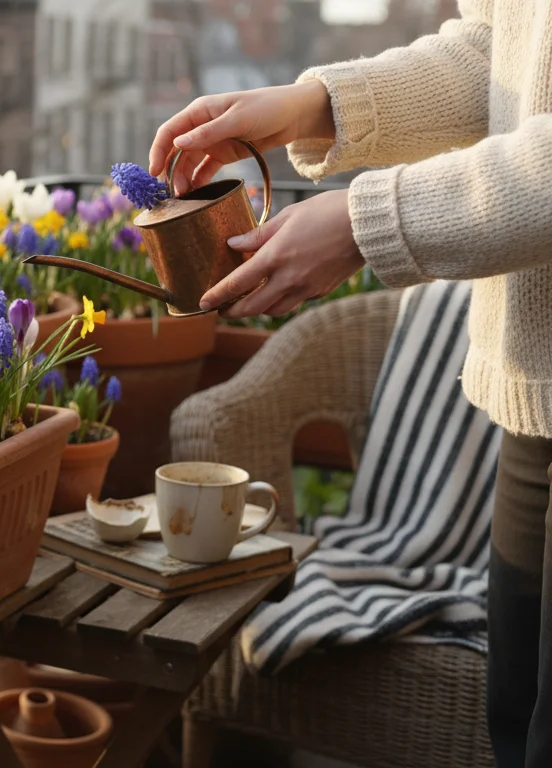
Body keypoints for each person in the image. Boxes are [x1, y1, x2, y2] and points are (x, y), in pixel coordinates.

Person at [147, 1, 552, 763]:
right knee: (517, 726)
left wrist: (367, 225)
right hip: (533, 404)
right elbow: (508, 54)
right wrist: (314, 106)